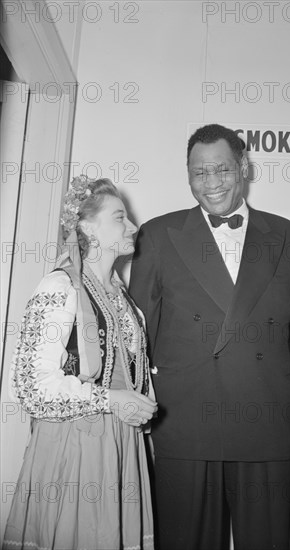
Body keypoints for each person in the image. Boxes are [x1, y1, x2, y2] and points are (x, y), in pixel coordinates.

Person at [129, 123, 290, 550]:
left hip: (268, 422)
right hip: (183, 424)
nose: (210, 183)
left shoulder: (287, 236)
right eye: (199, 173)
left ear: (244, 168)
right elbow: (137, 341)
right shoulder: (157, 236)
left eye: (221, 170)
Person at [3, 176, 158, 550]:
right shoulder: (59, 287)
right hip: (75, 444)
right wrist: (110, 400)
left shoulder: (124, 300)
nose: (133, 227)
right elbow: (30, 387)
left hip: (122, 446)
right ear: (88, 228)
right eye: (120, 217)